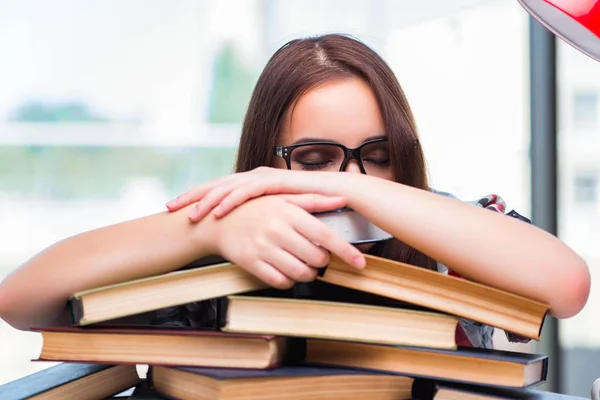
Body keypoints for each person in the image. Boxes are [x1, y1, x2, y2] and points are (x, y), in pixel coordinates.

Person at [0, 34, 590, 349]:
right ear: (264, 164)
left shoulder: (460, 232)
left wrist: (358, 191)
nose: (352, 182)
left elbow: (566, 287)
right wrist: (211, 226)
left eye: (378, 157)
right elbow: (21, 302)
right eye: (313, 160)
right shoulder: (218, 256)